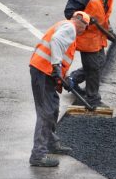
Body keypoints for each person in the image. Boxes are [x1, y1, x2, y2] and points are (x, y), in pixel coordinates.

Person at [28, 11, 90, 167]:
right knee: (46, 112)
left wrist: (65, 80)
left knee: (54, 107)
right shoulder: (70, 28)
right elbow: (55, 42)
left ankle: (51, 143)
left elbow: (60, 59)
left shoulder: (66, 28)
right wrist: (55, 66)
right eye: (86, 28)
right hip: (42, 71)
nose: (85, 32)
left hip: (45, 73)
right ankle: (38, 155)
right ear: (82, 23)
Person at [64, 0, 113, 108]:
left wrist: (110, 30)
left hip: (98, 36)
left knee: (100, 62)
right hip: (87, 38)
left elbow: (104, 14)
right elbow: (69, 12)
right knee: (93, 68)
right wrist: (87, 18)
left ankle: (72, 79)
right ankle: (92, 99)